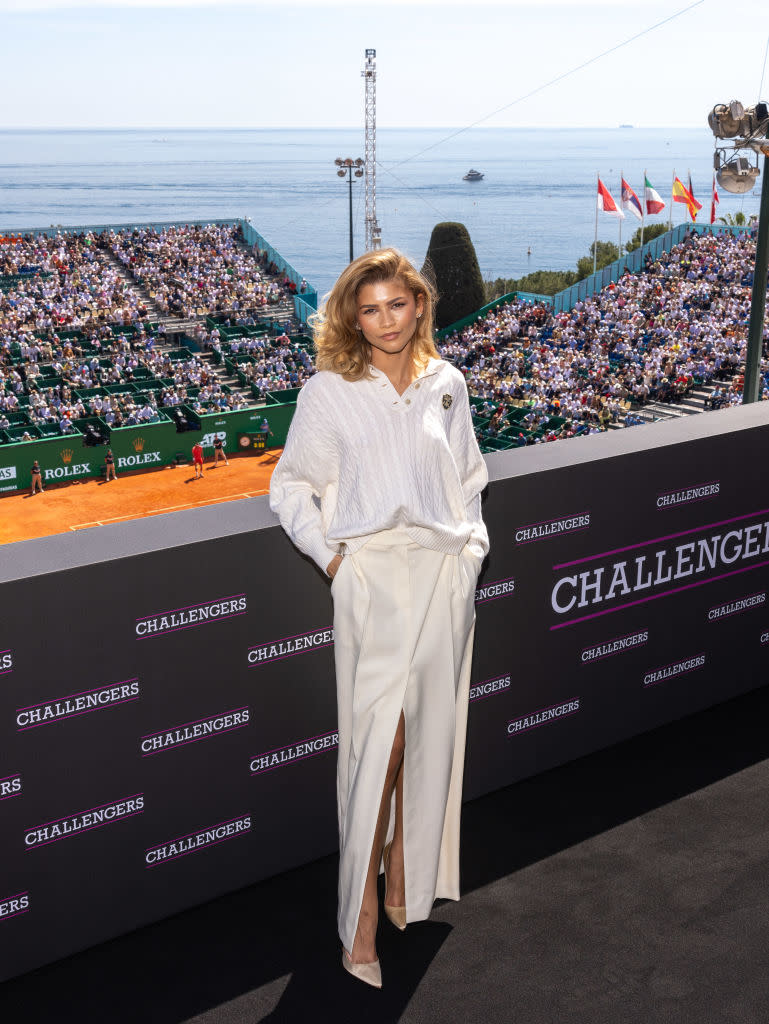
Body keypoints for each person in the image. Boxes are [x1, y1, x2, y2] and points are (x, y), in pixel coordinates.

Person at [269, 248, 489, 989]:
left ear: (419, 306)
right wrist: (337, 562)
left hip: (440, 577)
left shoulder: (446, 383)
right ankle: (358, 917)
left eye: (397, 305)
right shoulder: (329, 391)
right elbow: (292, 489)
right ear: (351, 316)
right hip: (372, 580)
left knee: (426, 737)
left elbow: (467, 480)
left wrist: (469, 552)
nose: (385, 321)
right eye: (370, 309)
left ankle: (403, 887)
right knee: (377, 750)